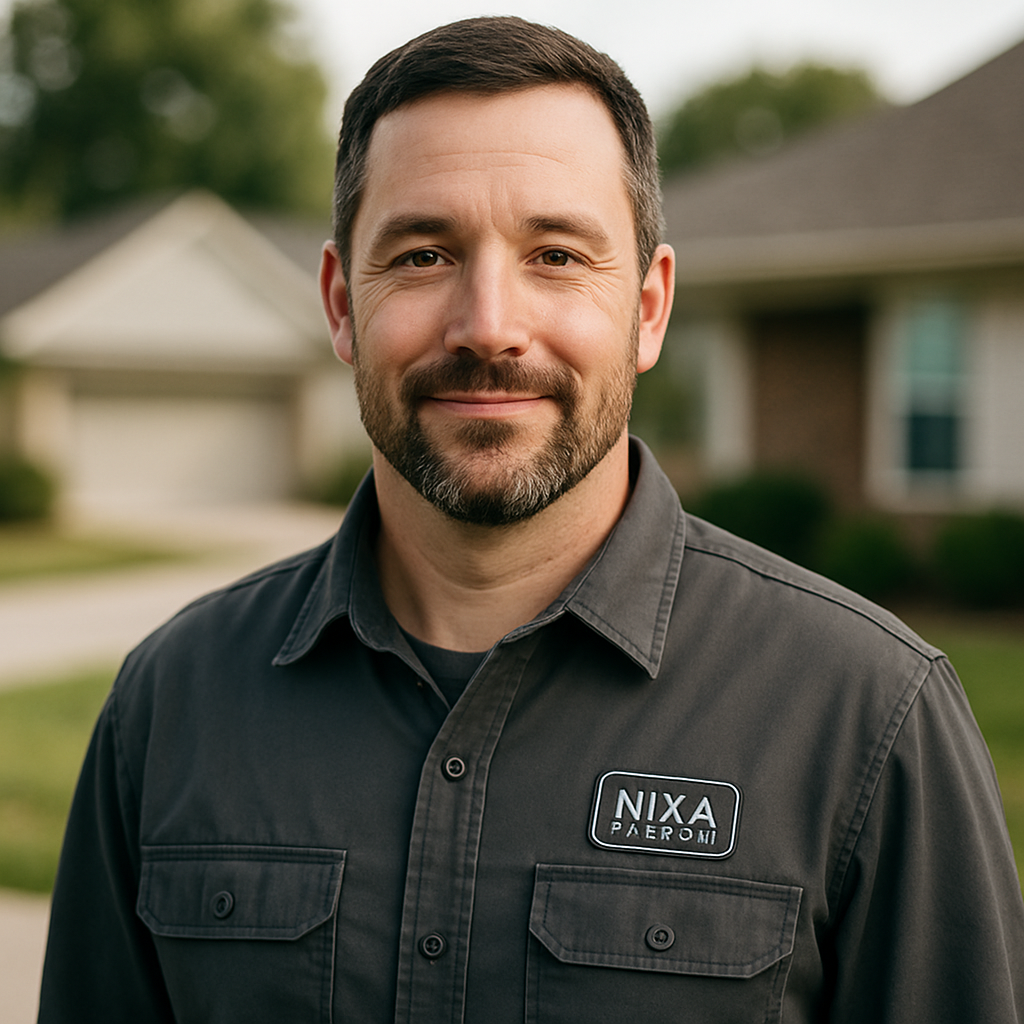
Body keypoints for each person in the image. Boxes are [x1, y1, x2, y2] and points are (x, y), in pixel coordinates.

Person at [38, 16, 1022, 1024]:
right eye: (423, 255)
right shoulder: (171, 705)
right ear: (340, 304)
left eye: (555, 255)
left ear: (647, 308)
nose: (489, 327)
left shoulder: (866, 715)